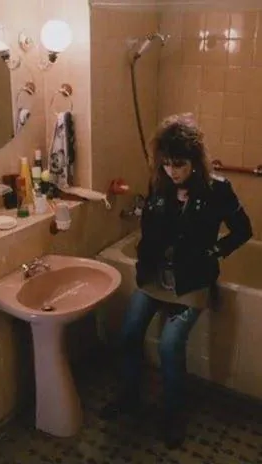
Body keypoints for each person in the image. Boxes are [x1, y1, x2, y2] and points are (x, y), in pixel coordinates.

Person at [100, 113, 252, 449]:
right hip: (155, 277)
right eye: (166, 163)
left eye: (179, 164)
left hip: (192, 281)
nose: (172, 171)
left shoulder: (217, 189)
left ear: (195, 160)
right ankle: (130, 396)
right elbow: (151, 230)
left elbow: (244, 230)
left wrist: (215, 251)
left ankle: (173, 415)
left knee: (169, 346)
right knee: (129, 333)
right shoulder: (160, 183)